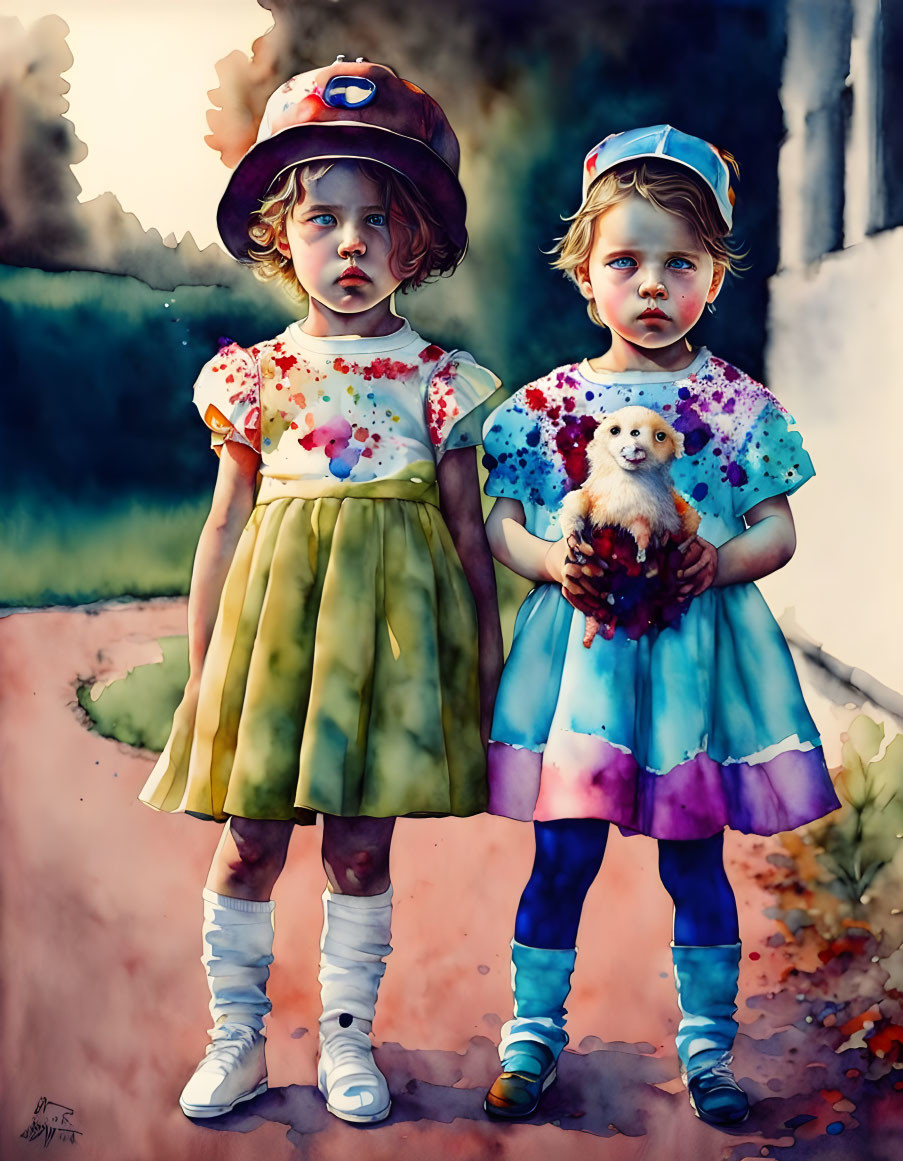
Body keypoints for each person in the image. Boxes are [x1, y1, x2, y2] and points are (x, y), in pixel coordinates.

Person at [139, 58, 504, 1125]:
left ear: (418, 243)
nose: (351, 247)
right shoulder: (254, 375)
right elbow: (223, 525)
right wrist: (205, 670)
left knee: (358, 846)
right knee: (250, 838)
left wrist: (484, 657)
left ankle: (349, 1041)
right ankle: (237, 1038)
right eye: (324, 220)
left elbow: (469, 532)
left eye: (379, 224)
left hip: (385, 650)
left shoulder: (443, 381)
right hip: (275, 643)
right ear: (278, 233)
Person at [479, 125, 840, 1126]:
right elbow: (504, 522)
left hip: (693, 667)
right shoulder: (550, 406)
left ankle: (710, 1050)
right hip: (585, 663)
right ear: (584, 277)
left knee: (694, 854)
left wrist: (717, 560)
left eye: (679, 262)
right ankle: (532, 1033)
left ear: (716, 277)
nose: (651, 285)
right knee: (565, 852)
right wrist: (553, 560)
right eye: (625, 261)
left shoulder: (734, 405)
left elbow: (778, 526)